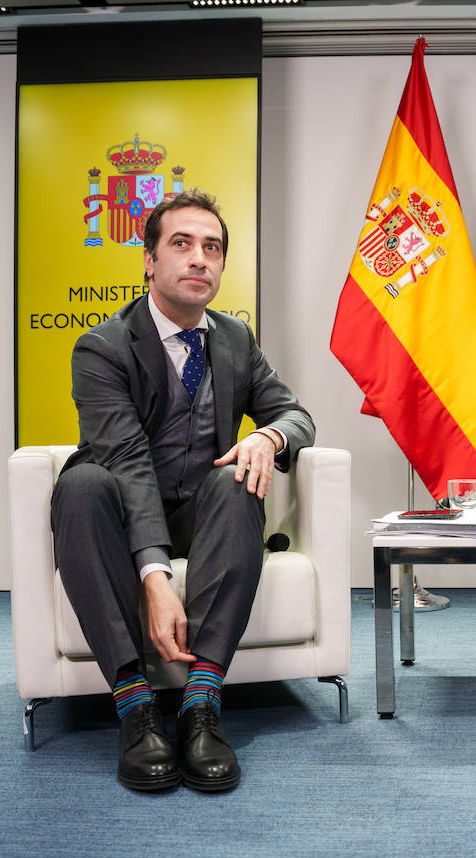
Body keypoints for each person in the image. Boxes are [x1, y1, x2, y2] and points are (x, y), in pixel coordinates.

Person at [51, 188, 315, 792]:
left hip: (203, 511)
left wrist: (269, 438)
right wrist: (156, 579)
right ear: (149, 260)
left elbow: (297, 414)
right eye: (182, 244)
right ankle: (135, 705)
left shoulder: (235, 340)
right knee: (85, 484)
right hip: (118, 507)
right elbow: (128, 460)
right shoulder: (101, 347)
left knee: (237, 478)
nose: (200, 259)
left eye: (213, 248)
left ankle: (201, 704)